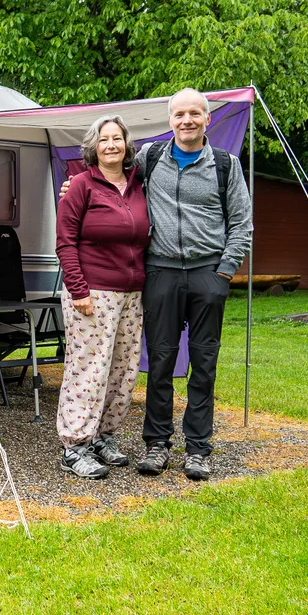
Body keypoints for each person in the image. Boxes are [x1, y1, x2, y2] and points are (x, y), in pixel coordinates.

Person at [60, 88, 252, 480]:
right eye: (179, 114)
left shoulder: (225, 166)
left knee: (203, 366)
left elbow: (242, 224)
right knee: (158, 364)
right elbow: (104, 183)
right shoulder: (151, 158)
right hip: (160, 274)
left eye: (195, 114)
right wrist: (73, 186)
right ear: (170, 120)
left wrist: (224, 273)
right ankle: (157, 444)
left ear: (207, 119)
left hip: (206, 275)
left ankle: (198, 449)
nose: (187, 121)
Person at [54, 115, 150, 478]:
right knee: (89, 370)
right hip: (92, 292)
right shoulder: (80, 185)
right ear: (93, 147)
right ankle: (74, 445)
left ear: (127, 145)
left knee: (123, 371)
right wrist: (78, 290)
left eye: (117, 138)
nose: (111, 145)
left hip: (132, 294)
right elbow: (65, 241)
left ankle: (103, 436)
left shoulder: (139, 185)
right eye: (104, 139)